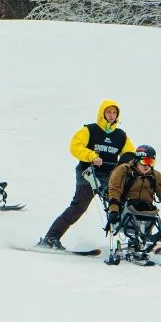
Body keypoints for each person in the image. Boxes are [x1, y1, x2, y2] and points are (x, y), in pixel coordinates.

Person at [36, 99, 132, 249]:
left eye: (114, 112)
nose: (111, 115)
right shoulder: (89, 130)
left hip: (109, 176)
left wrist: (122, 165)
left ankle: (134, 240)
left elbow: (130, 153)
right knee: (79, 205)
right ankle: (51, 237)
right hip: (88, 173)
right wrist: (92, 156)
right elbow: (75, 146)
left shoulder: (121, 136)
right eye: (108, 112)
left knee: (120, 203)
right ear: (102, 113)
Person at [104, 144, 161, 261]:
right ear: (136, 160)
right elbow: (114, 190)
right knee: (134, 211)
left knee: (151, 212)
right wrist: (113, 210)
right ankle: (136, 244)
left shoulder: (155, 176)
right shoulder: (123, 170)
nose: (147, 166)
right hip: (126, 209)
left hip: (147, 210)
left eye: (151, 162)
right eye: (144, 162)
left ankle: (146, 243)